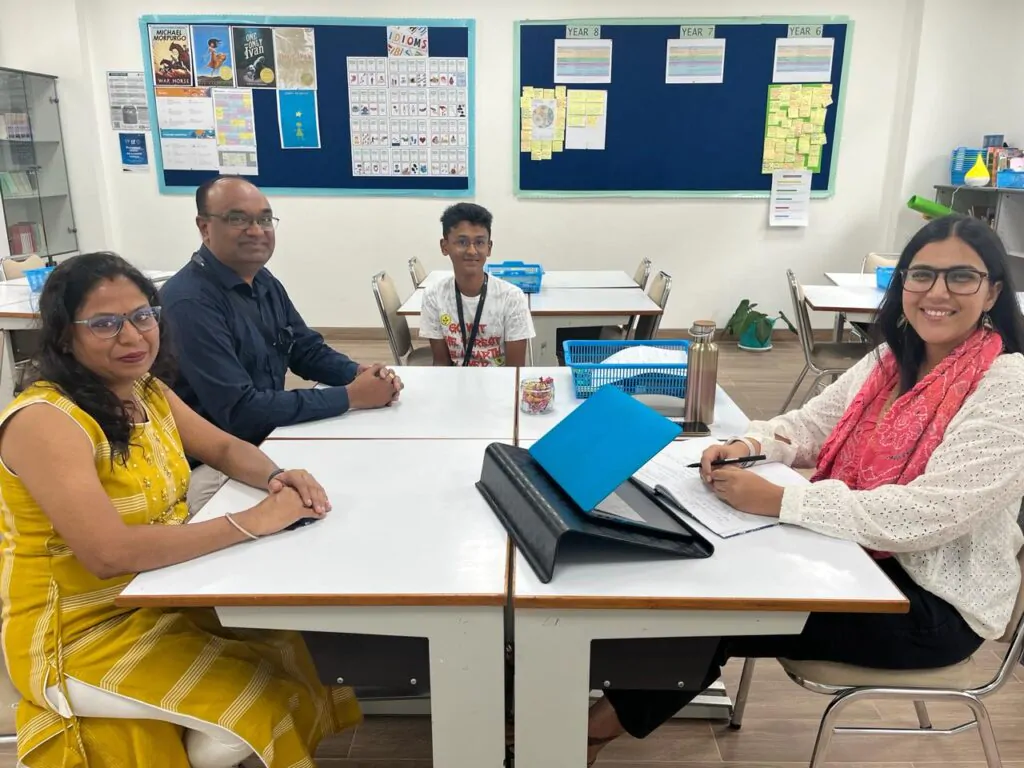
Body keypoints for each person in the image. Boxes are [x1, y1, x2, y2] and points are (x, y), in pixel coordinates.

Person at [585, 215, 1024, 765]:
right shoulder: (892, 359)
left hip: (931, 606)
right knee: (701, 573)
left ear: (992, 293)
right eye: (922, 275)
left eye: (961, 277)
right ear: (903, 284)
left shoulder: (1008, 386)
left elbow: (929, 515)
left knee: (717, 608)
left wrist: (781, 500)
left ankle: (585, 736)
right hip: (856, 554)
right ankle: (582, 702)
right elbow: (812, 423)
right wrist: (749, 444)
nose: (937, 292)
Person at [0, 252, 361, 767]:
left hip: (159, 596)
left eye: (143, 316)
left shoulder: (145, 390)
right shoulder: (46, 421)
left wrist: (277, 477)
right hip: (78, 634)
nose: (132, 336)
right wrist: (250, 522)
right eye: (104, 323)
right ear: (63, 336)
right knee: (254, 702)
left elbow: (224, 448)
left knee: (285, 647)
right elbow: (107, 554)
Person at [161, 176, 401, 511]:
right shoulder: (190, 302)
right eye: (238, 219)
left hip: (270, 437)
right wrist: (350, 396)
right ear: (204, 228)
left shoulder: (263, 280)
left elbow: (304, 349)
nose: (256, 231)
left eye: (264, 219)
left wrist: (358, 374)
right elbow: (241, 412)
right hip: (216, 466)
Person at [420, 202, 535, 367]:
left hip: (499, 380)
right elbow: (441, 363)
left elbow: (515, 370)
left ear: (489, 247)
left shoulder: (512, 298)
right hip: (454, 379)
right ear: (444, 246)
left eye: (480, 243)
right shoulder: (434, 296)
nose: (472, 251)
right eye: (462, 242)